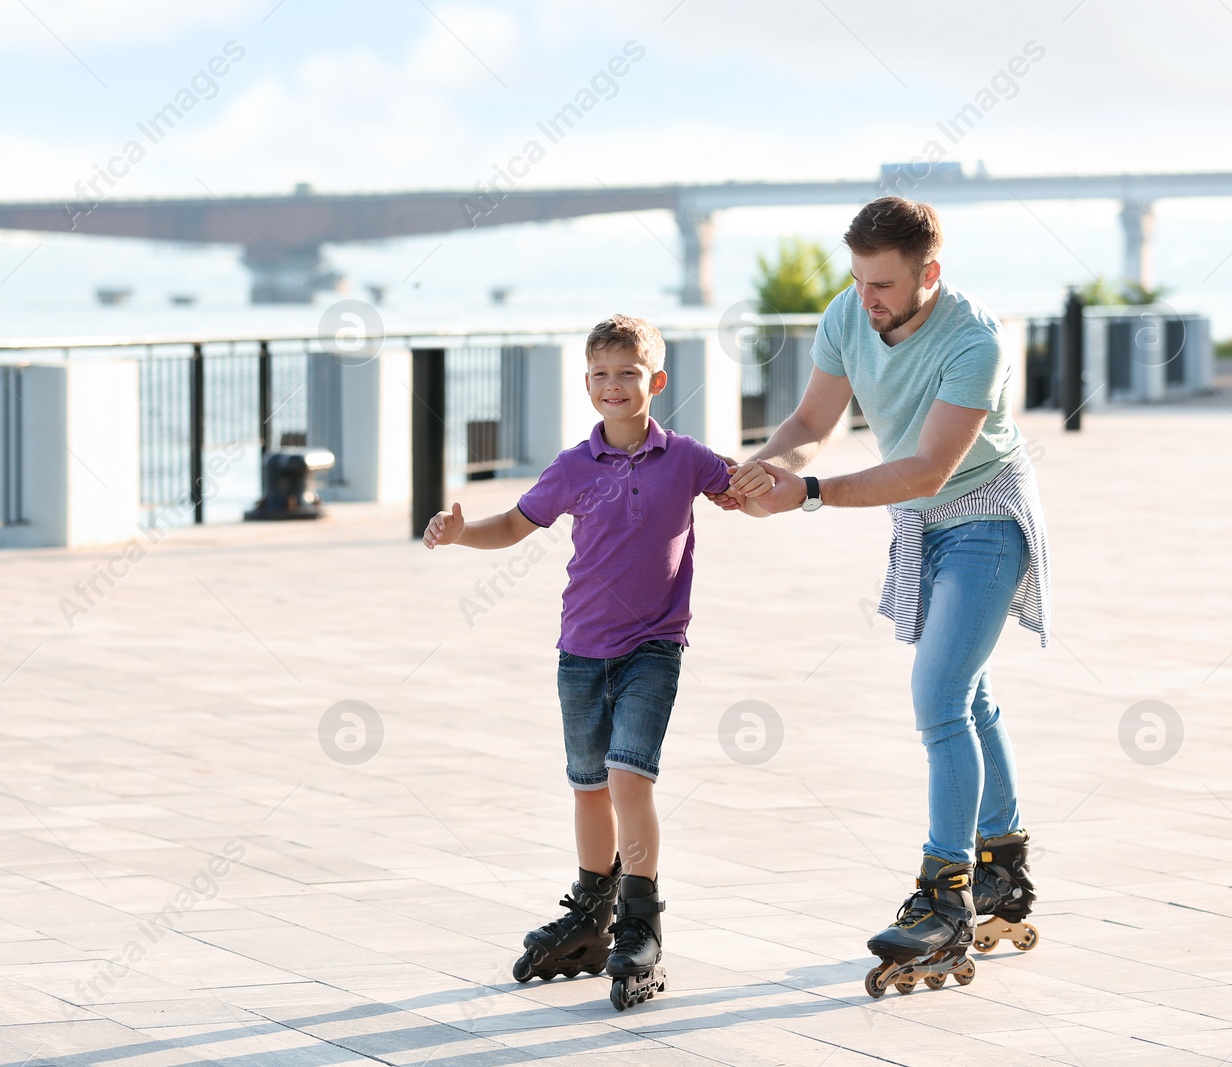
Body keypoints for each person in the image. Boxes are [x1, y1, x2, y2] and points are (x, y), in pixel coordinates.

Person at [720, 196, 1050, 997]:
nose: (867, 301)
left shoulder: (974, 340)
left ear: (928, 274)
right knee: (969, 695)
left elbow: (930, 467)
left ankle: (946, 896)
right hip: (922, 523)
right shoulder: (846, 313)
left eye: (885, 286)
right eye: (860, 281)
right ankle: (1002, 865)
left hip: (982, 516)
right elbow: (811, 417)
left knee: (939, 695)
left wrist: (808, 494)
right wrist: (763, 467)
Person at [423, 313, 736, 1011]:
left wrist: (788, 481)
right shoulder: (572, 465)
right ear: (587, 384)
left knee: (629, 776)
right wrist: (460, 532)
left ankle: (641, 922)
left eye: (628, 373)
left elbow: (740, 488)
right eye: (601, 374)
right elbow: (514, 523)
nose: (614, 385)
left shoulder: (685, 457)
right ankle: (592, 910)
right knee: (589, 785)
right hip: (580, 651)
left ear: (656, 380)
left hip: (654, 646)